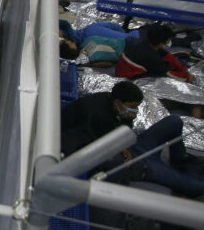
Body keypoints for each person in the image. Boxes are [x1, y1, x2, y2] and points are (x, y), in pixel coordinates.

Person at [60, 80, 204, 199]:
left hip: (135, 147)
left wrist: (127, 122)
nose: (135, 111)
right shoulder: (96, 118)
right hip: (137, 163)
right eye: (133, 107)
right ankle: (190, 170)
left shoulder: (108, 100)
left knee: (174, 121)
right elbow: (105, 152)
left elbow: (123, 132)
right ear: (118, 103)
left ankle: (180, 160)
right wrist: (123, 151)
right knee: (196, 187)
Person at [115, 23, 194, 82]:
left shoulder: (147, 44)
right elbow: (166, 73)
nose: (170, 41)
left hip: (124, 67)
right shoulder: (151, 56)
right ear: (162, 42)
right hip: (128, 75)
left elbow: (167, 55)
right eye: (169, 39)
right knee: (162, 76)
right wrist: (187, 78)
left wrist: (182, 68)